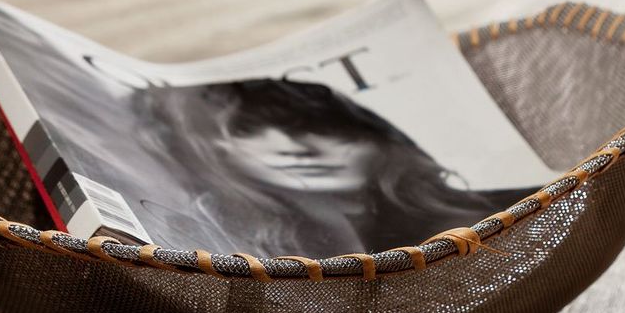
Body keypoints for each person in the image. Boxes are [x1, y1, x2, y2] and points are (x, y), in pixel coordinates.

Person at [131, 78, 525, 257]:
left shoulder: (512, 211)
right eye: (248, 130)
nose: (295, 148)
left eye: (318, 126)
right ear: (216, 151)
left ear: (379, 135)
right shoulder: (228, 253)